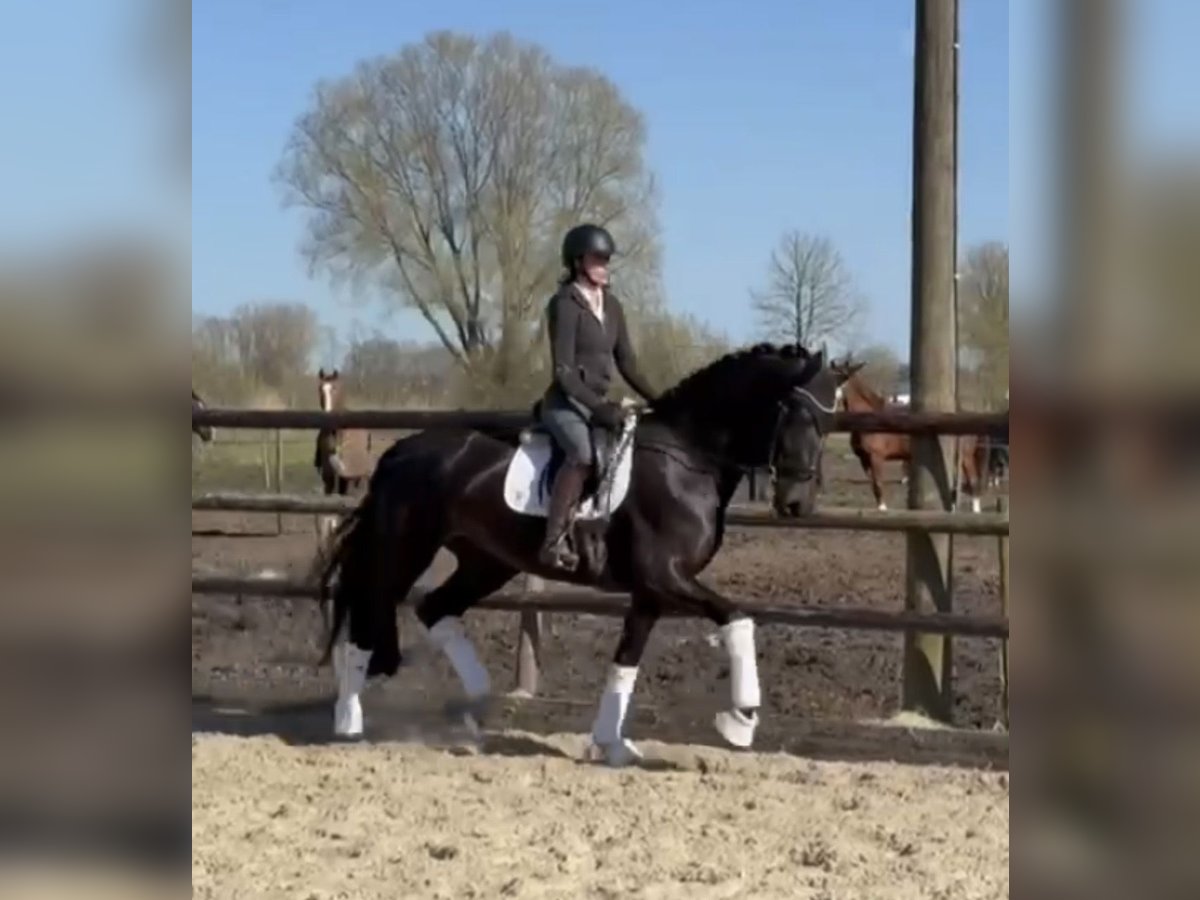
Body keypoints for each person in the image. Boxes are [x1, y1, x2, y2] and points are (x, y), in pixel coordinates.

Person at [537, 223, 657, 572]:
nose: (604, 266)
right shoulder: (564, 304)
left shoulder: (613, 306)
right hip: (565, 403)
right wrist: (599, 406)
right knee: (582, 454)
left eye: (606, 260)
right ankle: (553, 541)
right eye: (597, 260)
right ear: (578, 262)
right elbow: (564, 373)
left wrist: (662, 399)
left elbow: (627, 363)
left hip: (596, 405)